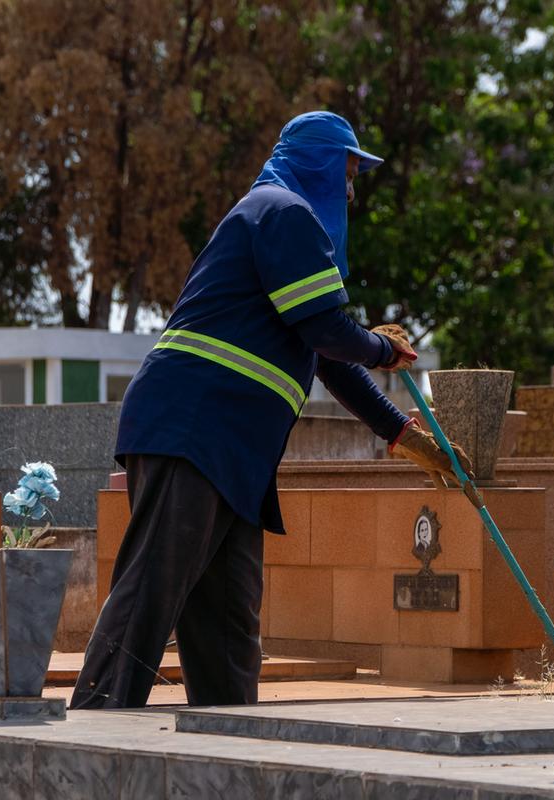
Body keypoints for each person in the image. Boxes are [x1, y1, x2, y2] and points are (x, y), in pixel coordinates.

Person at [71, 111, 472, 710]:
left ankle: (231, 742)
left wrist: (401, 433)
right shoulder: (282, 211)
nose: (352, 187)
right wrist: (382, 347)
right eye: (349, 170)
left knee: (229, 621)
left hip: (232, 448)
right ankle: (92, 733)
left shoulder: (282, 220)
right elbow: (325, 329)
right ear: (318, 160)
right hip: (194, 425)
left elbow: (325, 354)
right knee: (152, 591)